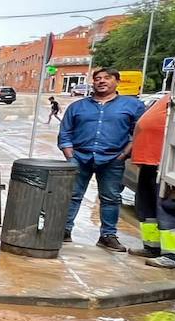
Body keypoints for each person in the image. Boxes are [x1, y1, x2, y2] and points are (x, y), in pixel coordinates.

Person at [58, 67, 146, 251]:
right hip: (80, 157)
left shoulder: (132, 106)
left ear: (117, 81)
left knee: (111, 198)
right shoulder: (78, 106)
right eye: (97, 78)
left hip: (113, 159)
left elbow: (138, 132)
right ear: (93, 82)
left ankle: (107, 236)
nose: (102, 81)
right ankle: (63, 230)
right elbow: (65, 131)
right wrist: (70, 155)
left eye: (107, 78)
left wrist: (124, 154)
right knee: (72, 195)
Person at [129, 92, 169, 257]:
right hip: (150, 161)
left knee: (170, 208)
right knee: (146, 206)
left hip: (166, 164)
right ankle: (152, 246)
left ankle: (174, 254)